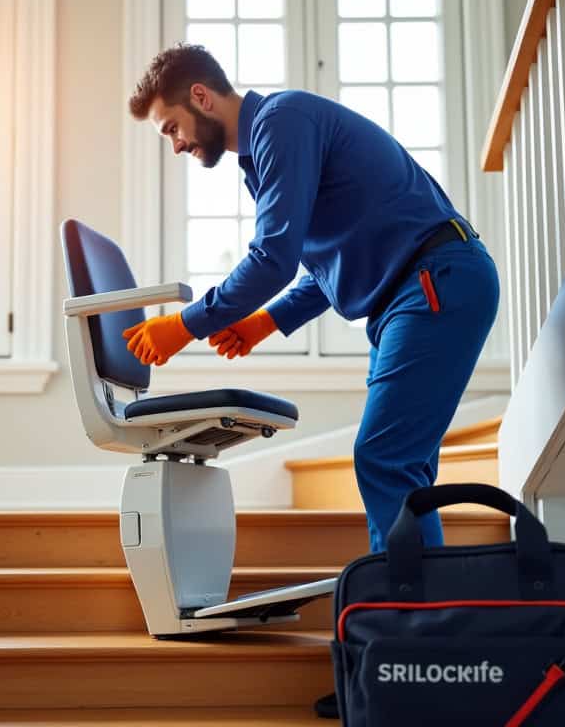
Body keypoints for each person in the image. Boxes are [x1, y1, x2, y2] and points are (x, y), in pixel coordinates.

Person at [123, 42, 499, 557]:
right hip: (408, 292)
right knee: (403, 465)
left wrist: (184, 325)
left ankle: (409, 617)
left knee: (384, 457)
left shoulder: (282, 121)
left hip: (434, 280)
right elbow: (329, 259)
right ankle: (417, 615)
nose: (176, 145)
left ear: (200, 96)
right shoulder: (263, 151)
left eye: (171, 128)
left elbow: (273, 257)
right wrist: (266, 322)